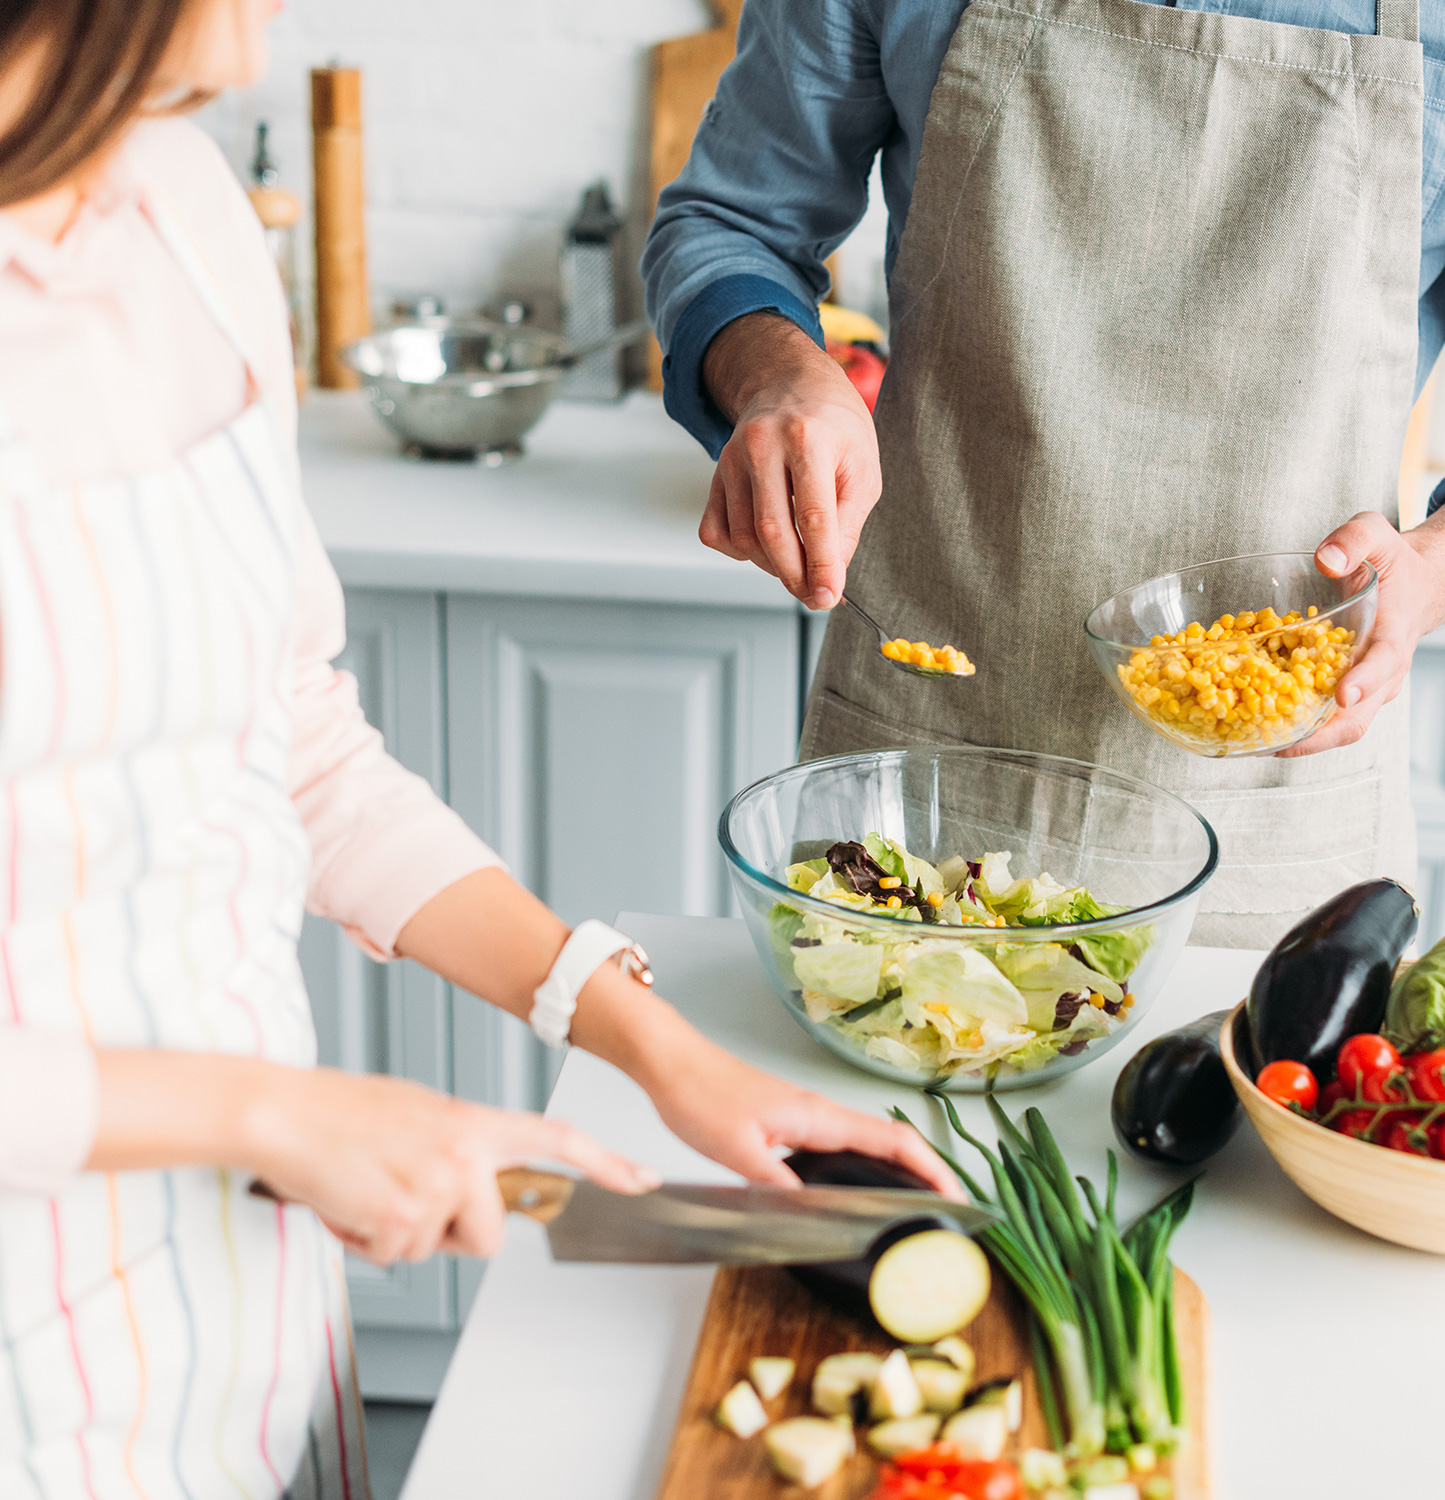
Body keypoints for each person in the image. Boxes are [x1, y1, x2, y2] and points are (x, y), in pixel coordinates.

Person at [0, 2, 959, 1495]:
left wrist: (654, 1048)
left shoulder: (179, 210)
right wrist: (269, 1110)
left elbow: (293, 738)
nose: (271, 26)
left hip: (245, 1276)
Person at [642, 0, 1445, 948]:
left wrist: (1430, 565)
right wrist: (775, 373)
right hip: (930, 760)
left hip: (1277, 795)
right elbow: (730, 221)